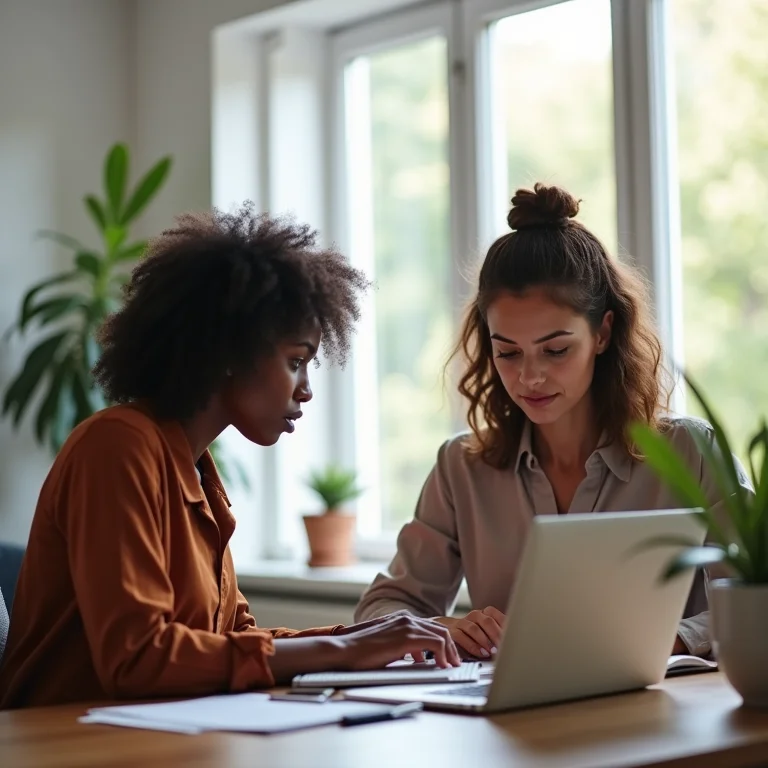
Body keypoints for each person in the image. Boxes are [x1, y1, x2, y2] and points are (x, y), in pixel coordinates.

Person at [0, 205, 459, 710]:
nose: (306, 390)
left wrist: (373, 637)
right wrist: (343, 647)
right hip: (62, 744)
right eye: (295, 362)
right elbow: (138, 660)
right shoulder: (116, 446)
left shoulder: (196, 470)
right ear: (226, 352)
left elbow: (232, 638)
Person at [355, 182, 752, 660]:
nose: (529, 377)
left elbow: (755, 598)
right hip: (516, 722)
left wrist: (661, 638)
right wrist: (443, 627)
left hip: (663, 714)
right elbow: (382, 607)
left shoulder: (690, 451)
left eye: (556, 350)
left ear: (603, 332)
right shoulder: (461, 466)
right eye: (507, 352)